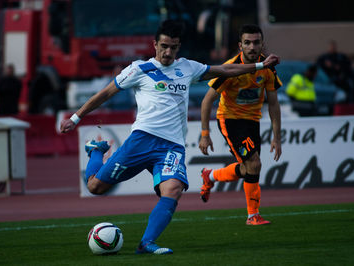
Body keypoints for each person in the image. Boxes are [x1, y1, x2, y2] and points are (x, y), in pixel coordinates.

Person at [60, 20, 279, 254]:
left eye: (173, 47)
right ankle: (96, 150)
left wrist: (258, 66)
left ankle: (146, 243)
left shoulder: (187, 67)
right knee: (95, 186)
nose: (168, 52)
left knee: (173, 189)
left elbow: (224, 70)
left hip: (172, 147)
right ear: (154, 44)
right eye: (164, 46)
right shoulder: (139, 69)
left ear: (178, 47)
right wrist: (75, 118)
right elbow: (105, 93)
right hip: (141, 140)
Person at [198, 24, 282, 226]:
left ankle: (210, 176)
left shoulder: (267, 69)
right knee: (254, 165)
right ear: (240, 45)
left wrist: (276, 137)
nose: (252, 47)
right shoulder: (230, 68)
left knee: (248, 169)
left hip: (252, 122)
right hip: (230, 121)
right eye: (247, 43)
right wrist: (204, 133)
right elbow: (207, 101)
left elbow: (273, 103)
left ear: (262, 44)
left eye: (256, 42)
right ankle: (253, 216)